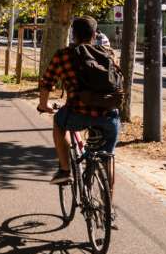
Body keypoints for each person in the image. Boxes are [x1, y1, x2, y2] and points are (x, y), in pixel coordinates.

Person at [37, 16, 121, 198]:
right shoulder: (109, 53)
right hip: (108, 115)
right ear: (94, 34)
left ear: (73, 34)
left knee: (59, 124)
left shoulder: (63, 55)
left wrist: (44, 105)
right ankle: (109, 207)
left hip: (77, 113)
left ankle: (65, 171)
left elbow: (46, 82)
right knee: (108, 157)